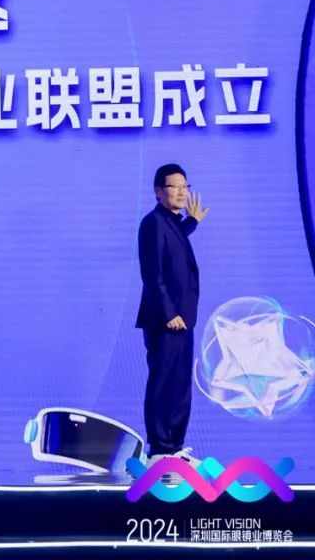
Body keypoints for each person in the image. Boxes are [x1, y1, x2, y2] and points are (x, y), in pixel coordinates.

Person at [137, 163, 208, 468]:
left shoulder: (172, 223)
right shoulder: (153, 223)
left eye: (184, 187)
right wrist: (168, 312)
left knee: (180, 385)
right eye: (174, 186)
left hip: (184, 318)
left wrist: (192, 221)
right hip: (165, 319)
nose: (181, 192)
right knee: (163, 381)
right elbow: (152, 273)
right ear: (158, 191)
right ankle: (159, 449)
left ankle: (175, 447)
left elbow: (176, 239)